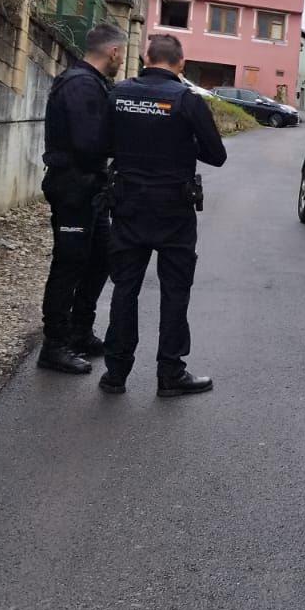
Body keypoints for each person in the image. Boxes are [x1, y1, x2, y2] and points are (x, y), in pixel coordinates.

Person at [99, 33, 226, 397]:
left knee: (125, 288)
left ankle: (115, 374)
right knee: (174, 291)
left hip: (127, 205)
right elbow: (216, 155)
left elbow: (104, 143)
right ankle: (170, 373)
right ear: (181, 63)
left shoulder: (118, 94)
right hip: (174, 210)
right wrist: (183, 142)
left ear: (145, 58)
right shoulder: (187, 100)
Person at [38, 21, 126, 375]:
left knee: (100, 258)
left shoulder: (90, 83)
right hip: (73, 188)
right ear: (113, 52)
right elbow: (88, 144)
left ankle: (79, 332)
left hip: (90, 190)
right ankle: (54, 345)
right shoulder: (81, 86)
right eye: (122, 54)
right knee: (69, 264)